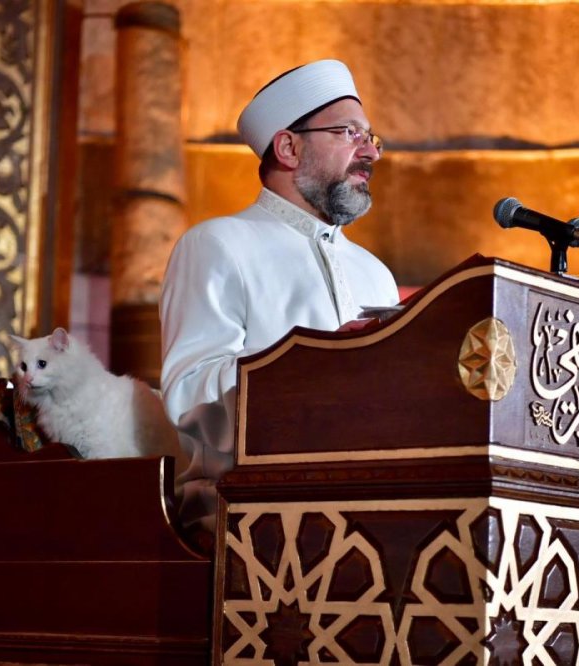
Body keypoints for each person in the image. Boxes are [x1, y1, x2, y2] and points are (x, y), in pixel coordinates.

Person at [159, 60, 399, 533]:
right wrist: (311, 363)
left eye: (371, 137)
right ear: (289, 147)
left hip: (364, 507)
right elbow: (188, 403)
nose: (370, 151)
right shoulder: (217, 243)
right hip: (242, 513)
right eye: (349, 133)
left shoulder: (376, 274)